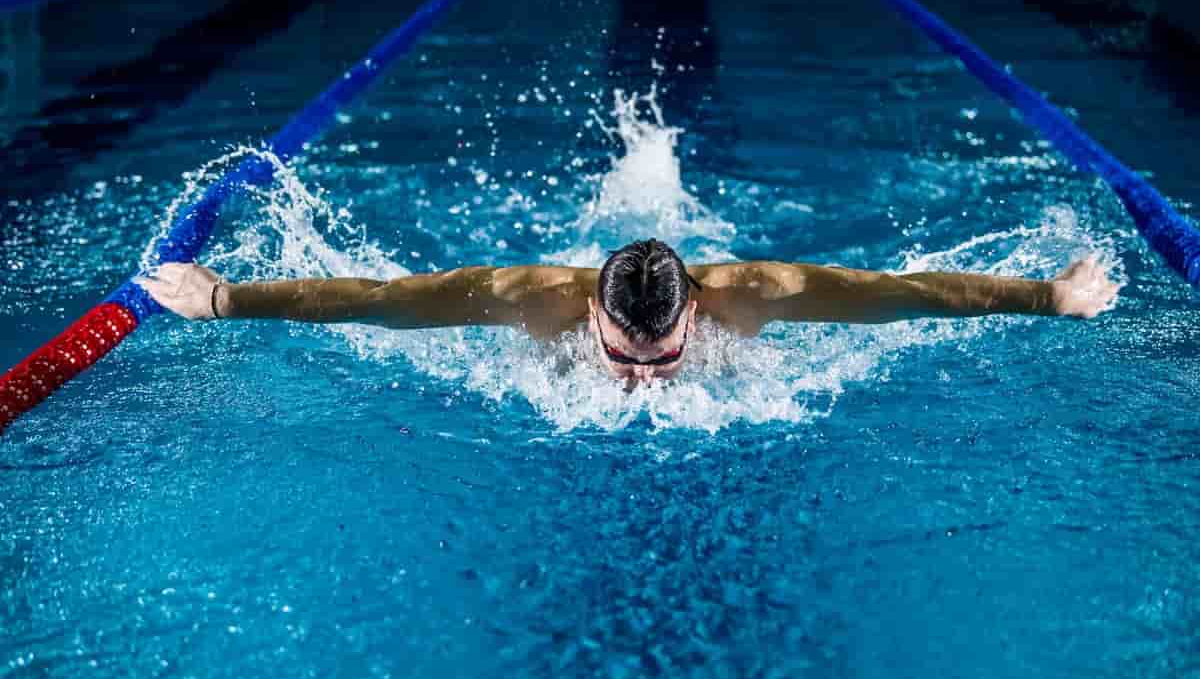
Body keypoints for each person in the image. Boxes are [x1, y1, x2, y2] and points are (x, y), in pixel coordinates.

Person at [135, 238, 1119, 384]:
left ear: (696, 309)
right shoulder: (529, 299)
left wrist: (1051, 295)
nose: (641, 377)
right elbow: (382, 303)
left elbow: (906, 295)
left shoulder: (757, 293)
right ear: (591, 313)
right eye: (622, 354)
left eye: (661, 356)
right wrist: (223, 298)